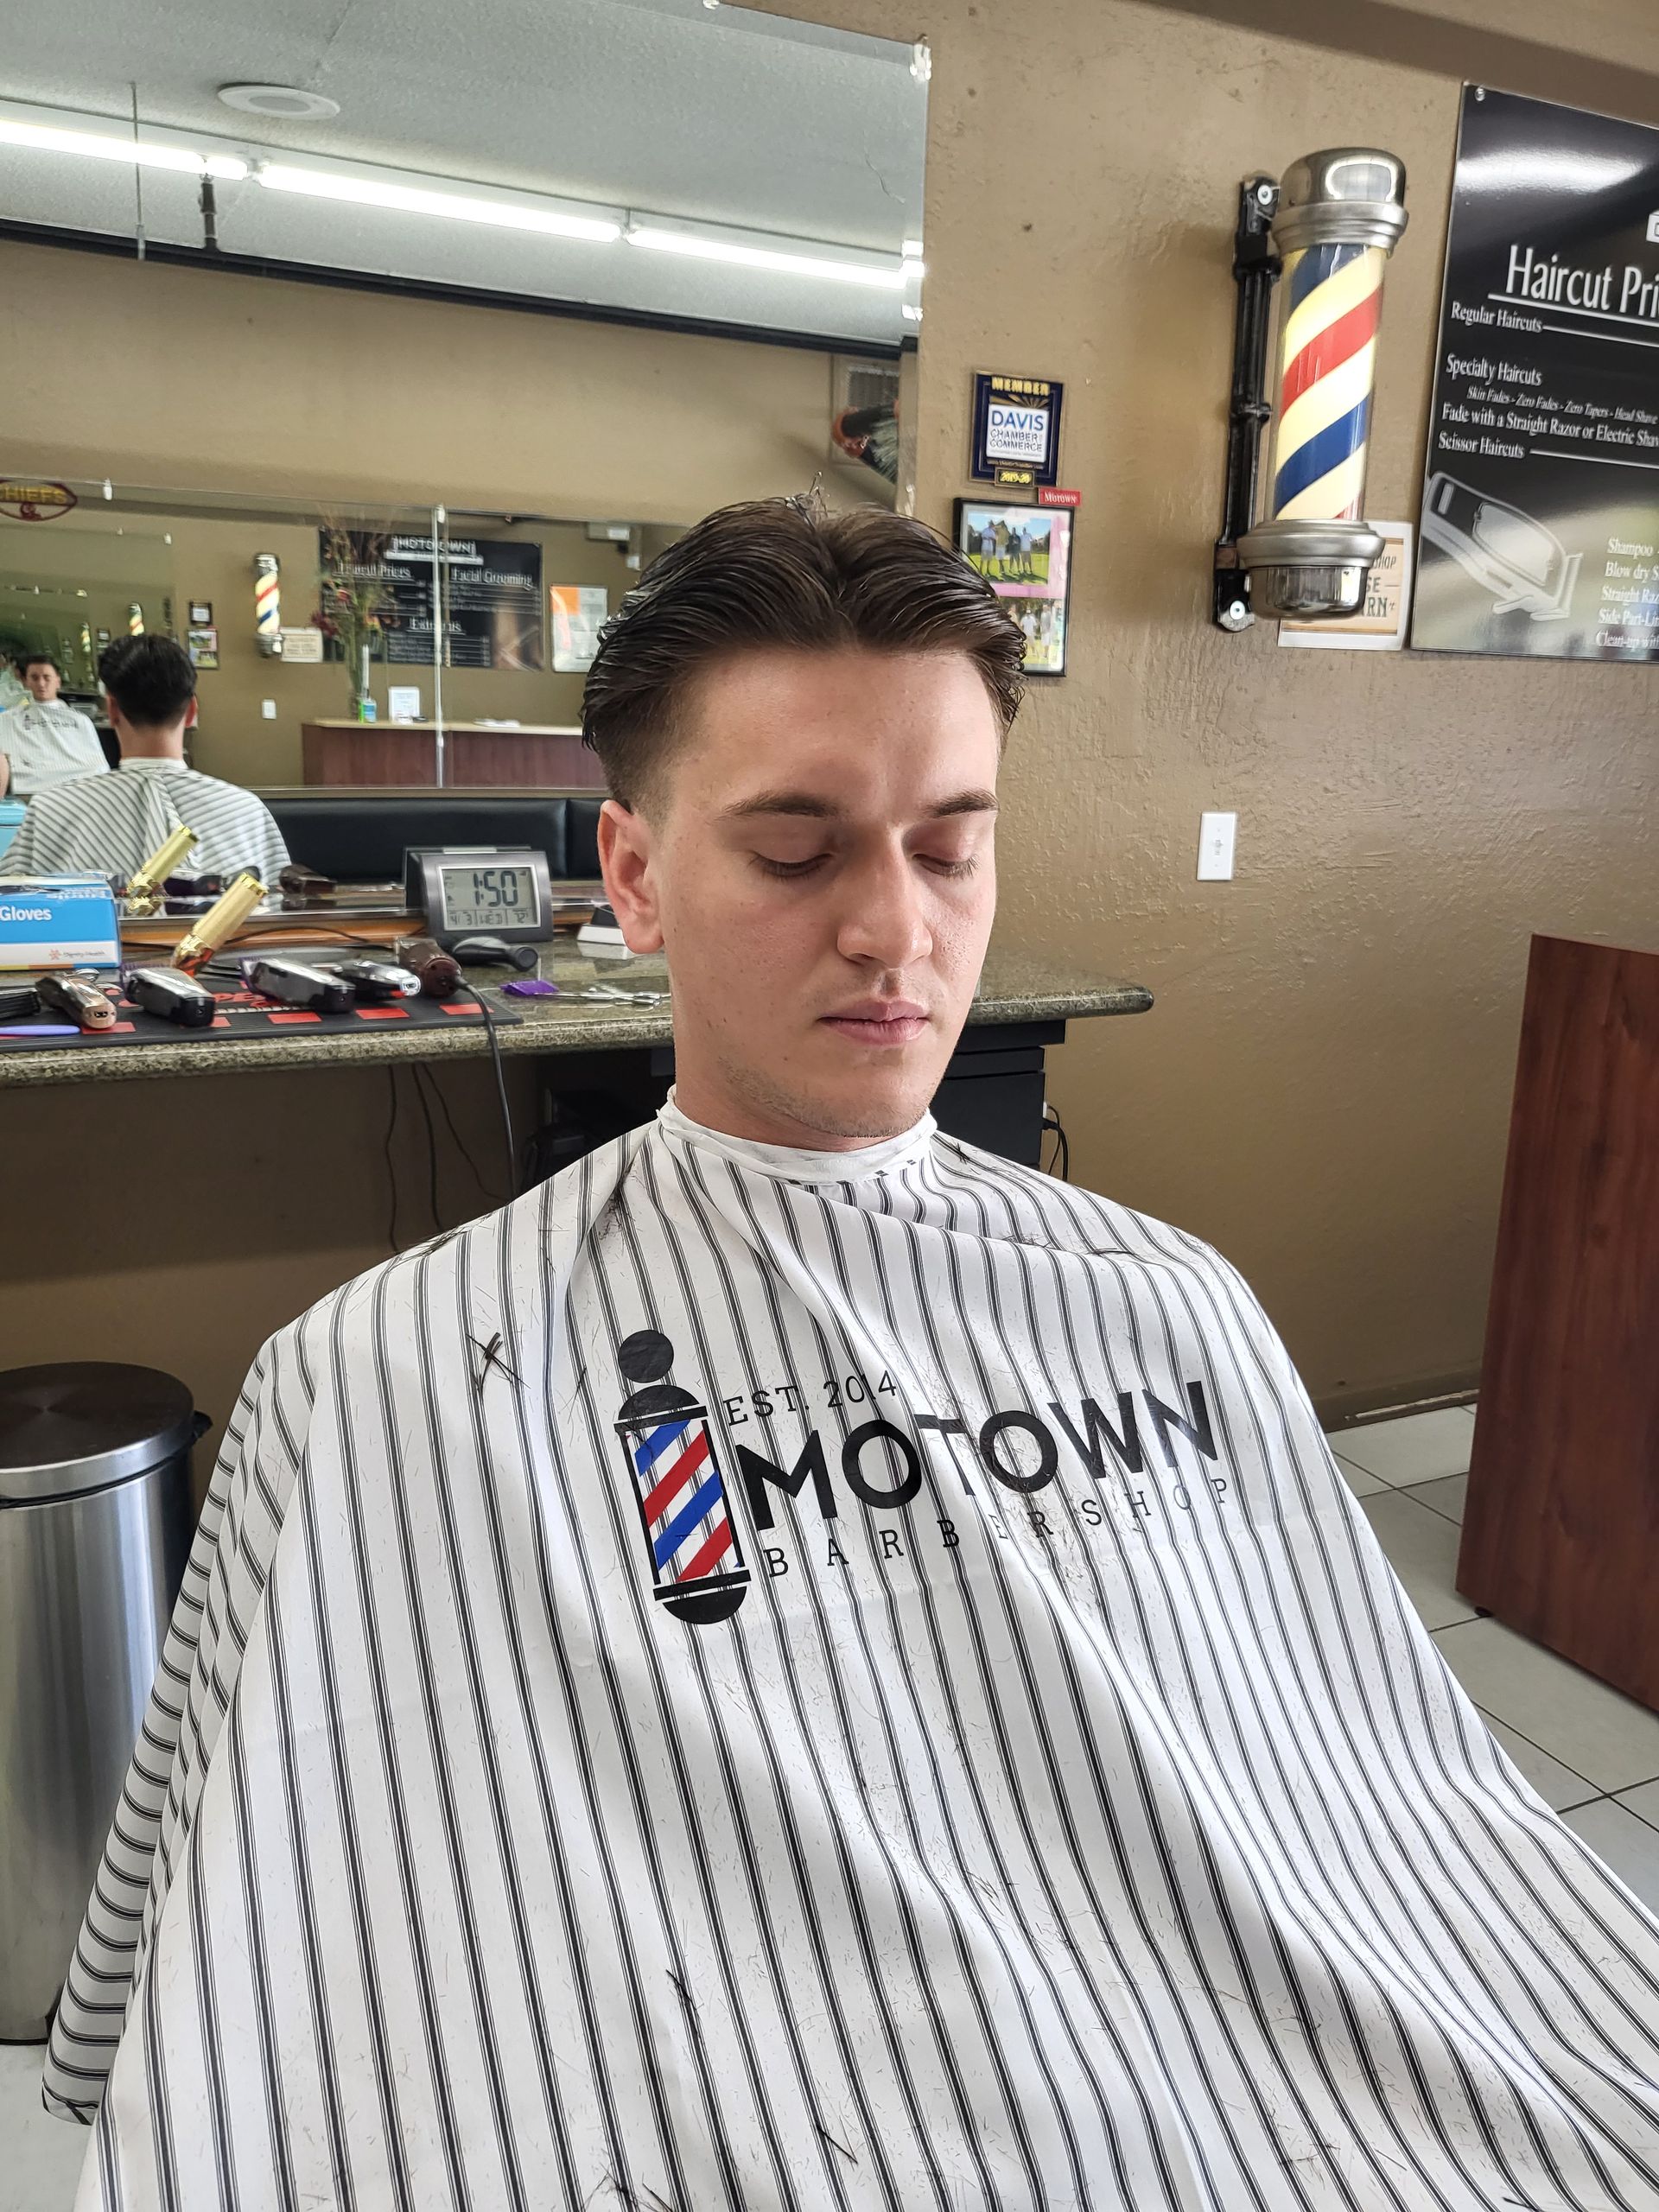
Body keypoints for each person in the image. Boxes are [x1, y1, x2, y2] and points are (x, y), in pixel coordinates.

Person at [47, 497, 1659, 2209]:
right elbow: (260, 1965)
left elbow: (1362, 1779)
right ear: (639, 877)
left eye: (952, 845)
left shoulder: (1171, 1297)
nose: (898, 929)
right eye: (799, 851)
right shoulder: (379, 1374)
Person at [2, 636, 288, 885]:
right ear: (191, 712)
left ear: (112, 710)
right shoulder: (246, 812)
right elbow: (281, 922)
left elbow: (12, 914)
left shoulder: (51, 811)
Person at [0, 651, 108, 798]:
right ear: (26, 682)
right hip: (29, 792)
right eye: (35, 678)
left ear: (58, 680)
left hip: (80, 791)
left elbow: (98, 765)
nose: (41, 683)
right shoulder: (9, 719)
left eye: (46, 677)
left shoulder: (80, 721)